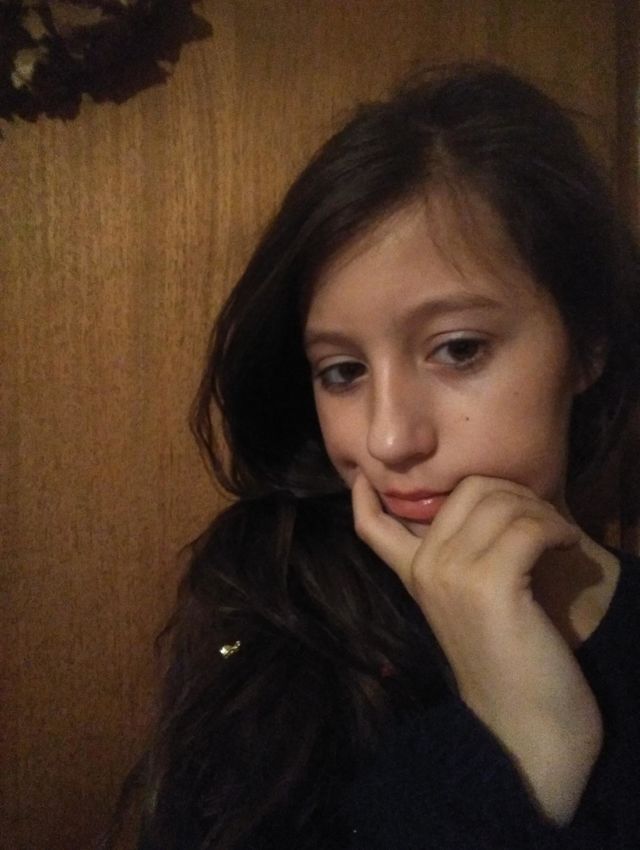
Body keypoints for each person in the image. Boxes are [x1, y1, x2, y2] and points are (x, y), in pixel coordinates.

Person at [133, 63, 640, 849]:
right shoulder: (272, 613)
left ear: (588, 347)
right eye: (343, 372)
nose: (389, 440)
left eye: (459, 349)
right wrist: (522, 740)